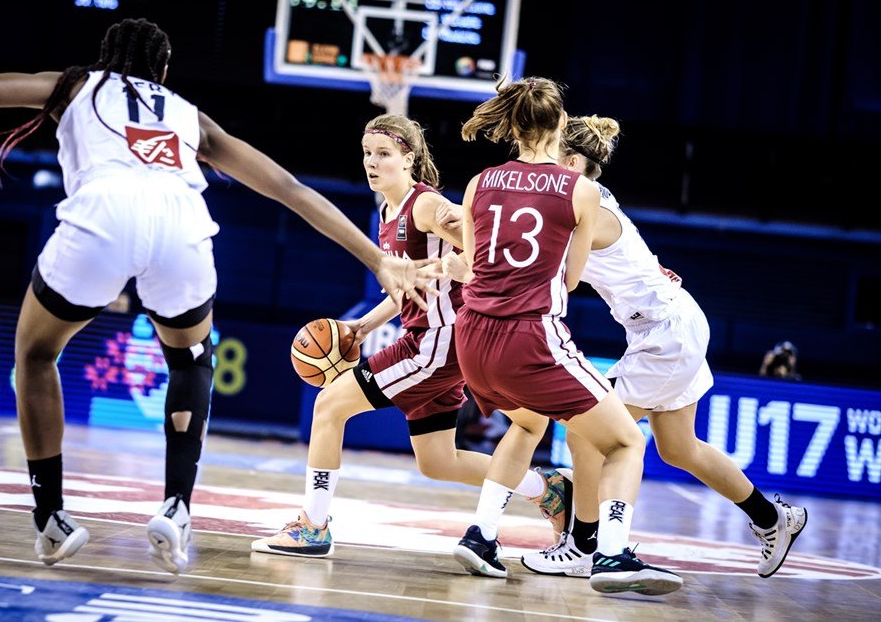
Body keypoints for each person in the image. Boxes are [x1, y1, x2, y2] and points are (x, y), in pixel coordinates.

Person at [0, 18, 436, 575]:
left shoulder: (75, 84)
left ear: (104, 57)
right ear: (164, 70)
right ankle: (176, 507)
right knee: (192, 361)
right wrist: (377, 258)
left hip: (103, 214)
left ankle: (51, 518)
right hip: (181, 224)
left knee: (36, 353)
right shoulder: (187, 114)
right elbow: (287, 188)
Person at [251, 113, 567, 558]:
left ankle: (312, 527)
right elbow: (408, 287)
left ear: (409, 159)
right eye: (367, 153)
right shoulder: (387, 211)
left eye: (383, 154)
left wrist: (464, 257)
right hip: (433, 340)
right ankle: (548, 489)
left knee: (329, 405)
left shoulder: (425, 205)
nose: (371, 162)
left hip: (437, 342)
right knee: (438, 461)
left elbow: (488, 245)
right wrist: (363, 326)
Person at [518, 115, 806, 580]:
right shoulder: (588, 200)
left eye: (549, 155)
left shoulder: (587, 209)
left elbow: (531, 258)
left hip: (666, 334)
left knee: (586, 433)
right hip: (671, 324)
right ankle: (774, 518)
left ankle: (584, 546)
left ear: (571, 163)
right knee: (679, 448)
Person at [441, 78, 682, 595]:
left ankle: (481, 535)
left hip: (472, 336)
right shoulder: (581, 190)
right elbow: (570, 279)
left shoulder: (480, 182)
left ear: (513, 126)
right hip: (529, 337)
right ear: (559, 125)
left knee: (527, 424)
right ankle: (610, 554)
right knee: (624, 441)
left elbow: (472, 264)